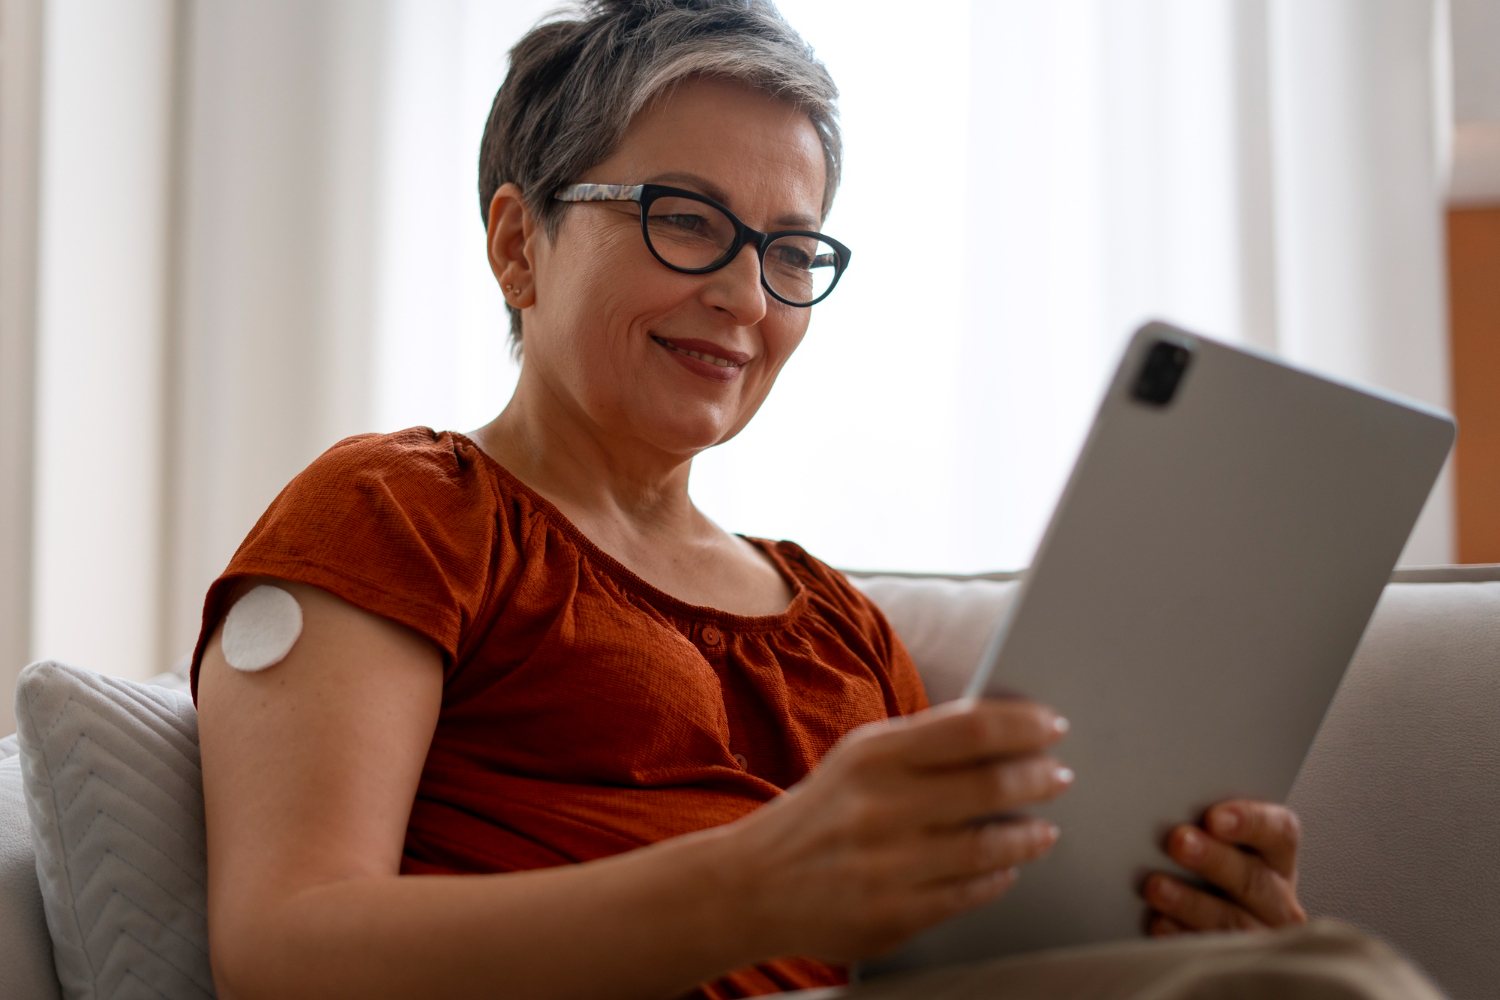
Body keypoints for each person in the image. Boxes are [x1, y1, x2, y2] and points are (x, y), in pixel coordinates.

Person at [192, 3, 1441, 999]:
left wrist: (1204, 933)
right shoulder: (402, 508)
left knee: (1305, 969)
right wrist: (757, 885)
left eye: (791, 249)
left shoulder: (838, 627)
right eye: (687, 219)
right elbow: (286, 944)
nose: (746, 295)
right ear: (520, 243)